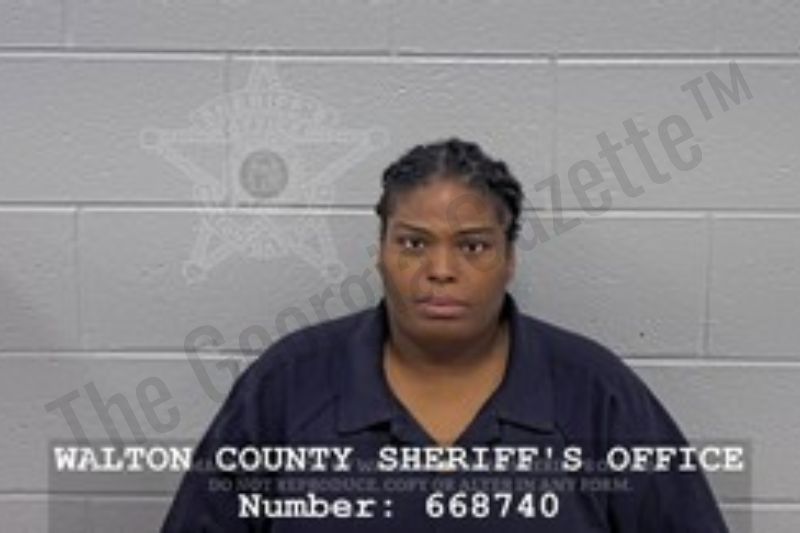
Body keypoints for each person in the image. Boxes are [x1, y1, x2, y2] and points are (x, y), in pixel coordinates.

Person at [161, 138, 729, 532]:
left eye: (473, 246)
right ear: (380, 253)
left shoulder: (596, 393)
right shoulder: (287, 385)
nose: (441, 270)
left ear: (509, 260)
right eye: (413, 243)